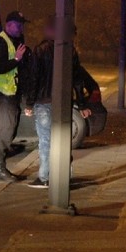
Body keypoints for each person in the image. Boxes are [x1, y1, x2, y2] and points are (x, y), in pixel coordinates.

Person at [22, 17, 102, 189]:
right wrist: (81, 105)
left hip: (43, 102)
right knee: (63, 141)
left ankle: (44, 177)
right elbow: (77, 80)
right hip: (64, 103)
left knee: (45, 141)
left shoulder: (40, 50)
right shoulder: (70, 51)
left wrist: (29, 103)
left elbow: (34, 78)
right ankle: (65, 176)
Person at [0, 11, 28, 181]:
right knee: (4, 129)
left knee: (10, 129)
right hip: (2, 94)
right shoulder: (1, 41)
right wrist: (17, 59)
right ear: (9, 25)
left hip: (11, 94)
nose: (21, 28)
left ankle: (1, 166)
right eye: (18, 25)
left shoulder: (15, 41)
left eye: (22, 24)